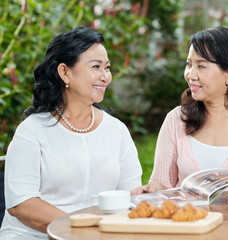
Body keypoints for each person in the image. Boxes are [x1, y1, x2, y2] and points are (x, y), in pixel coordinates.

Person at [0, 27, 142, 239]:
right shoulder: (32, 131)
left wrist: (147, 196)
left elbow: (130, 194)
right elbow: (22, 205)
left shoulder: (116, 130)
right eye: (96, 67)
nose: (106, 77)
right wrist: (82, 229)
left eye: (107, 67)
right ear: (64, 72)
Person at [132, 26, 228, 196]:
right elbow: (162, 184)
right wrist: (152, 189)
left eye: (201, 66)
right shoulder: (176, 119)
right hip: (189, 220)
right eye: (189, 64)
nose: (191, 74)